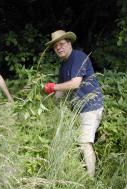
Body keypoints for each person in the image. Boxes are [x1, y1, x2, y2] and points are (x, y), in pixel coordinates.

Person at [44, 30, 103, 177]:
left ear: (69, 43)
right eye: (55, 46)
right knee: (76, 141)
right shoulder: (64, 65)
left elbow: (75, 84)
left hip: (90, 106)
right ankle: (79, 171)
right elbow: (61, 91)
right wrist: (50, 106)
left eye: (62, 44)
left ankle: (91, 180)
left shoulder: (78, 57)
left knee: (84, 143)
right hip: (77, 109)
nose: (59, 48)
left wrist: (53, 87)